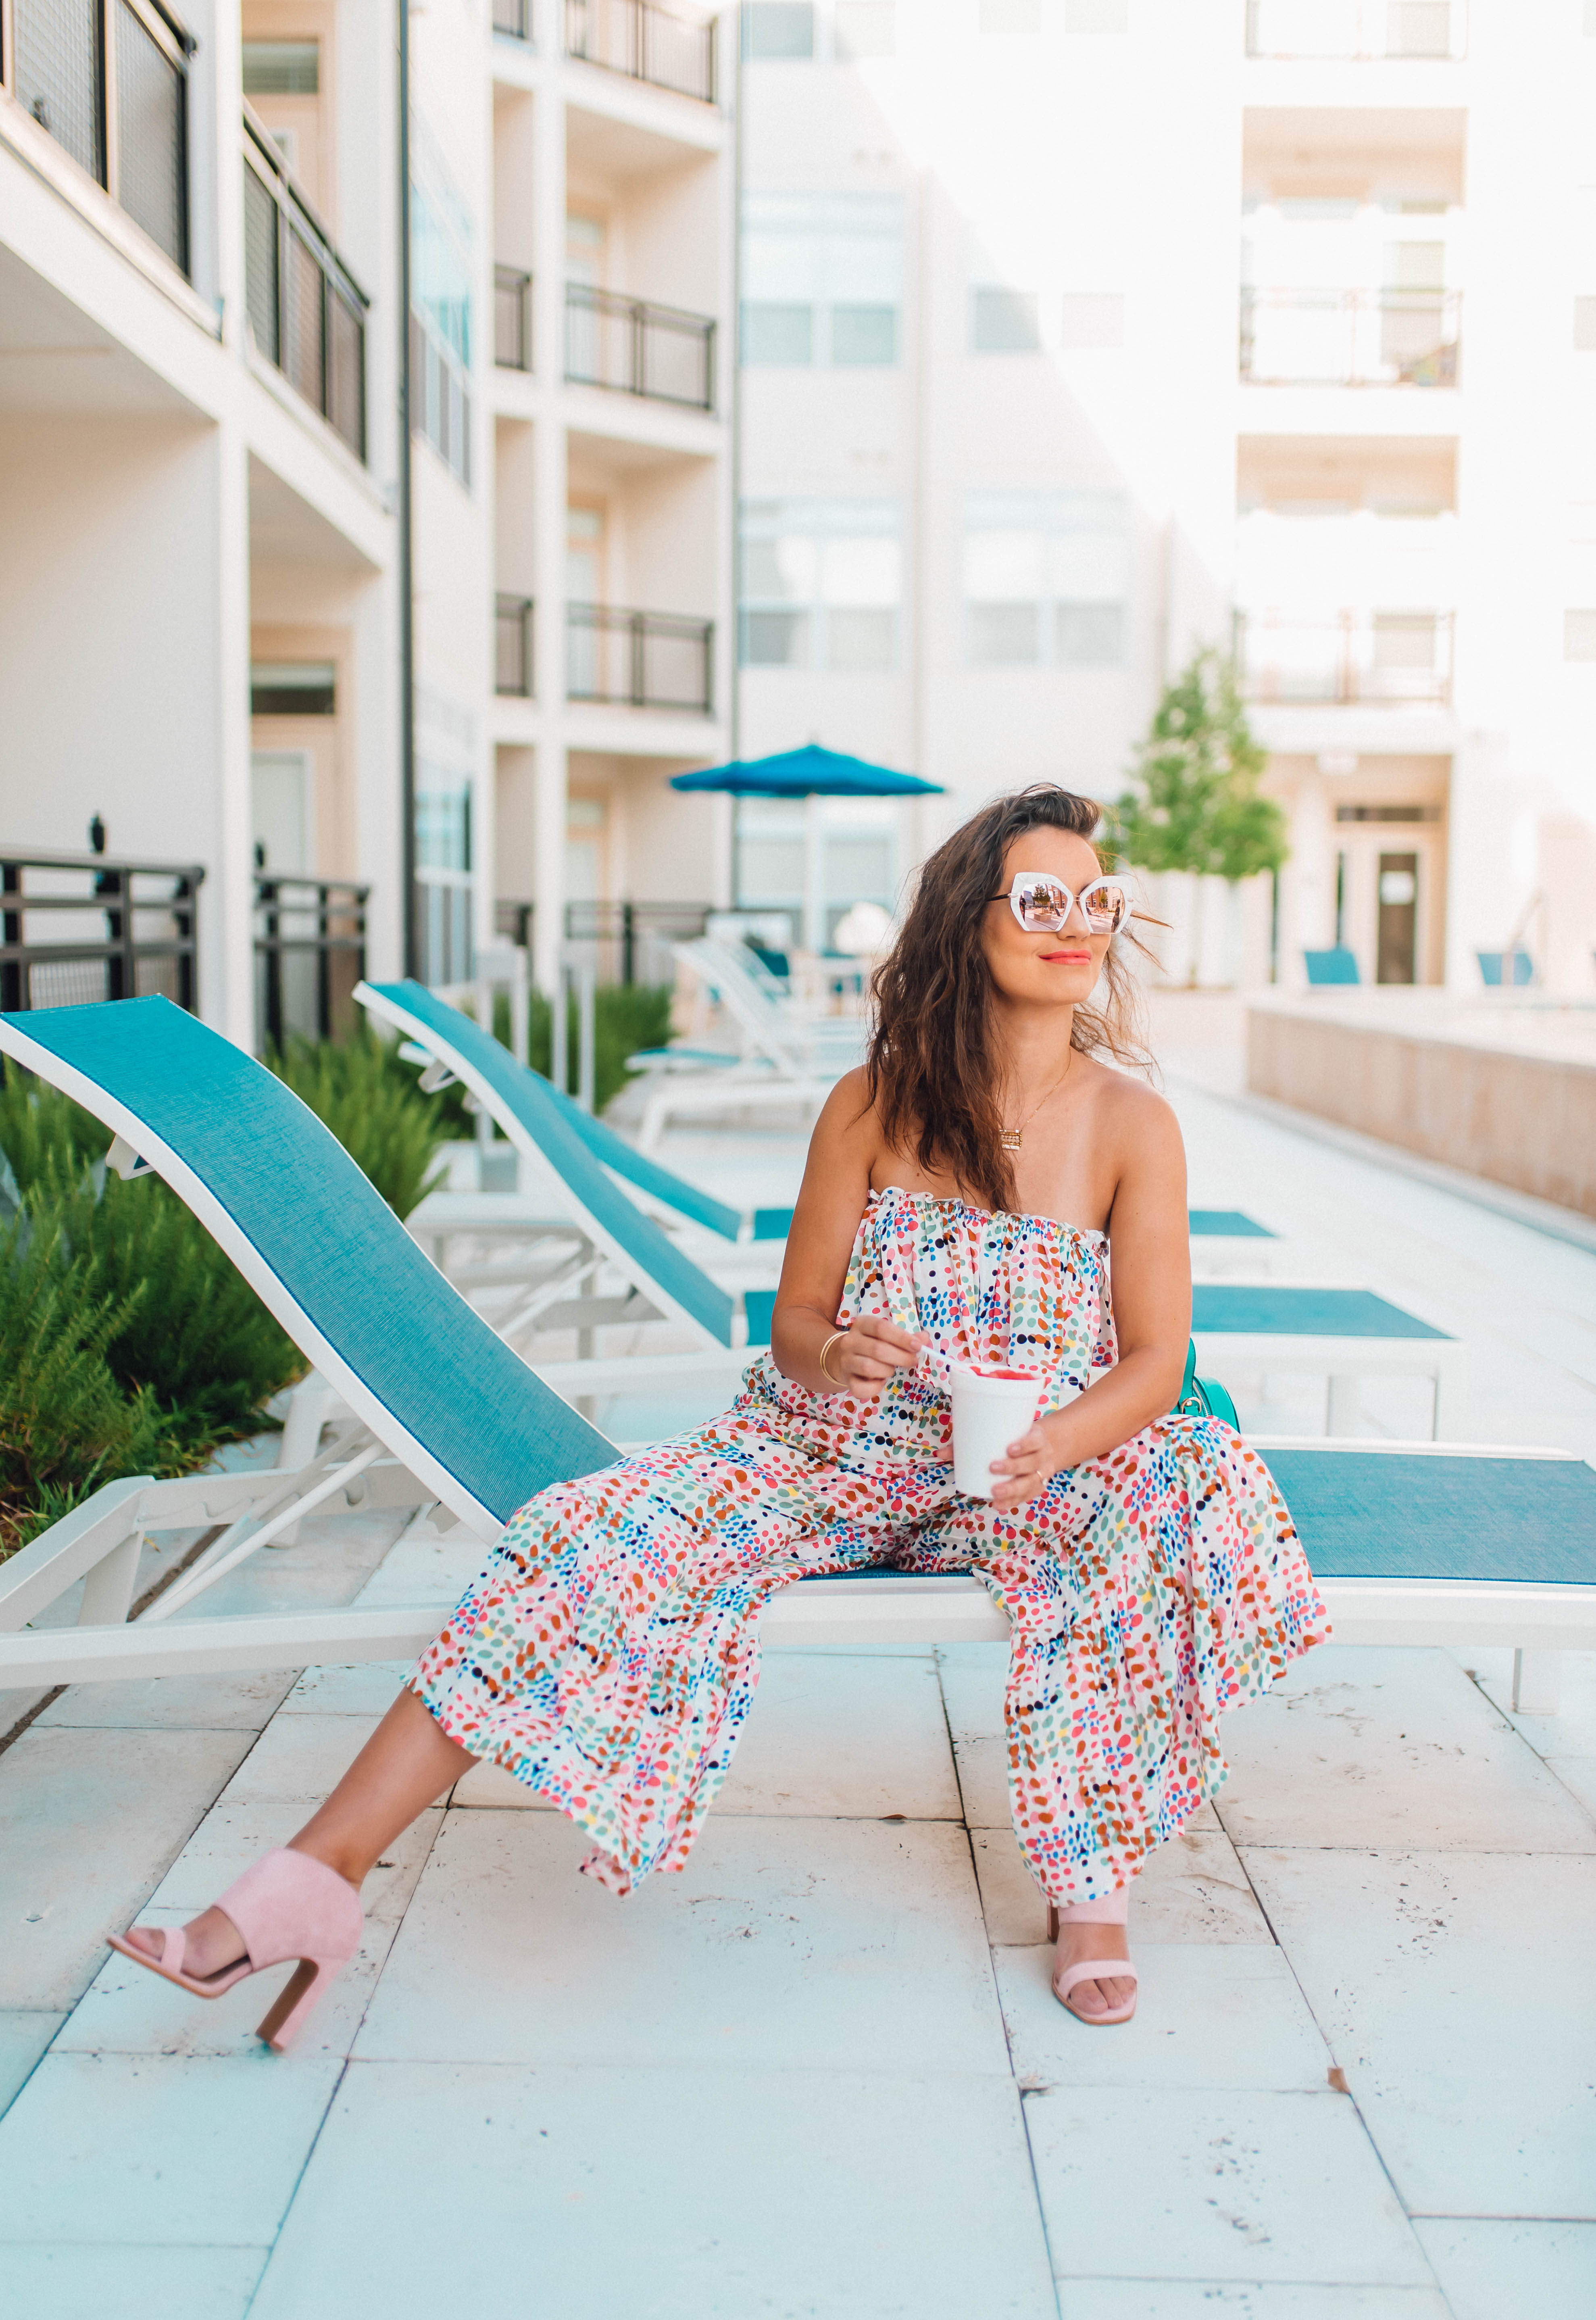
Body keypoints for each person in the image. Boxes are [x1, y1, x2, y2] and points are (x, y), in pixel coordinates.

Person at [109, 783, 1328, 2044]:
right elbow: (793, 1322)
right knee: (582, 1531)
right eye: (1041, 897)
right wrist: (836, 1351)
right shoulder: (871, 1103)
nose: (1076, 923)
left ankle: (1093, 1893)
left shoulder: (1135, 1125)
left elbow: (1157, 1360)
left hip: (1035, 1471)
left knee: (1178, 1490)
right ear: (971, 919)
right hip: (831, 1456)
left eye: (1097, 900)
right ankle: (317, 1879)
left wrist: (1060, 1440)